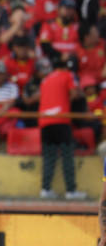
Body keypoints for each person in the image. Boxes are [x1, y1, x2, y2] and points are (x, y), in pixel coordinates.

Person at [38, 56, 86, 200]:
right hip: (61, 118)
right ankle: (71, 191)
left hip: (45, 120)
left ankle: (45, 189)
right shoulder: (68, 75)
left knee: (49, 156)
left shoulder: (45, 79)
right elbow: (74, 94)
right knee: (67, 155)